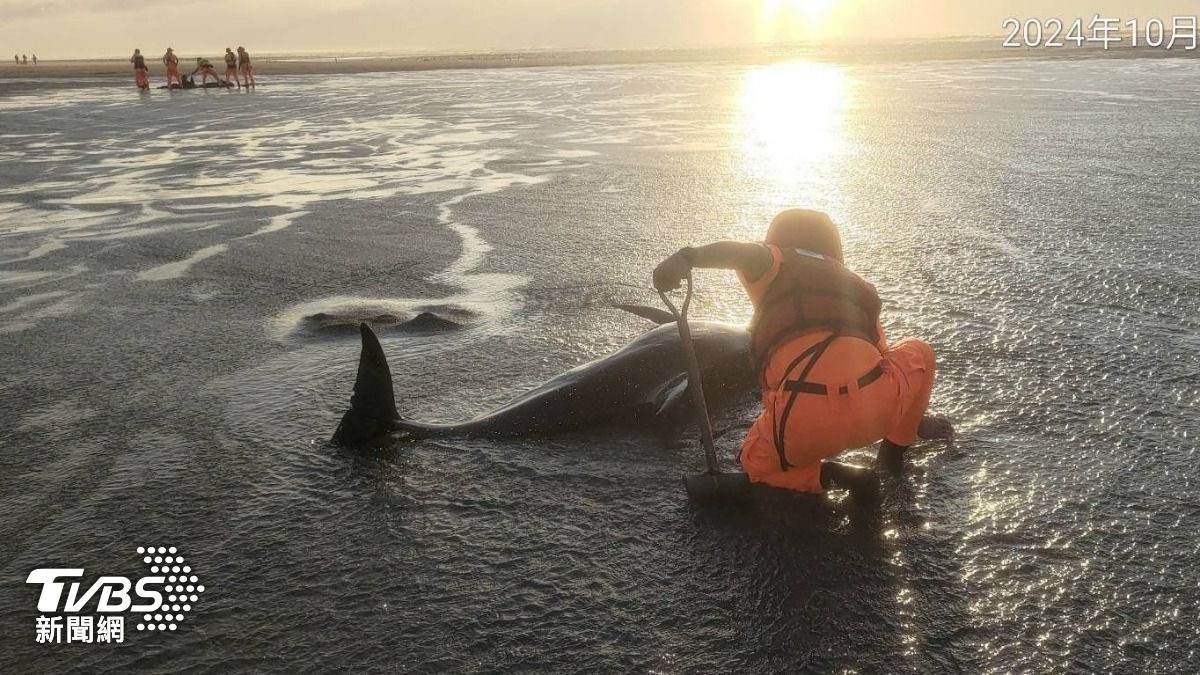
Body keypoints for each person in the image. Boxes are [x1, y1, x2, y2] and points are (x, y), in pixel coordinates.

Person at [652, 209, 955, 503]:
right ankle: (893, 456)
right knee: (920, 351)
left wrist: (687, 258)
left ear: (775, 242)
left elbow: (742, 254)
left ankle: (831, 477)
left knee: (754, 462)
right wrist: (908, 416)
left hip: (802, 421)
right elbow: (884, 362)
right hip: (873, 412)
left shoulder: (775, 260)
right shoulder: (856, 287)